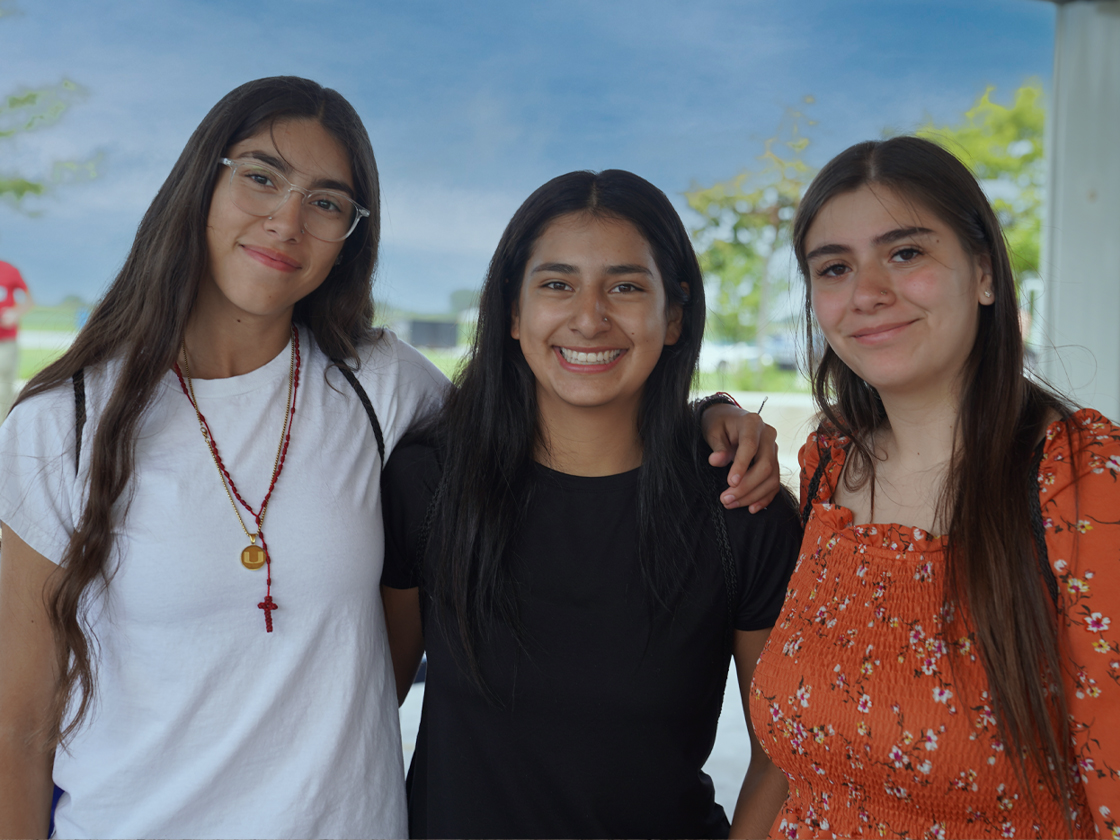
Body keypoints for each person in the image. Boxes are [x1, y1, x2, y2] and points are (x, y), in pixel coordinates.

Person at [0, 78, 780, 839]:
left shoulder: (379, 385)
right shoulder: (62, 422)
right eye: (261, 177)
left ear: (350, 236)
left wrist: (710, 418)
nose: (286, 221)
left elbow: (557, 404)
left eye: (327, 202)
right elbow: (18, 728)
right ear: (198, 185)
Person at [380, 169, 803, 839]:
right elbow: (368, 711)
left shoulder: (740, 511)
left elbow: (783, 757)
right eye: (556, 285)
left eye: (626, 287)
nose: (588, 316)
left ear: (674, 318)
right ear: (513, 314)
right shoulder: (428, 487)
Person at [748, 136, 1120, 838]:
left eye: (906, 253)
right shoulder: (831, 465)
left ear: (984, 273)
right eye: (834, 268)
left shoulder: (1081, 480)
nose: (867, 293)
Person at [0, 259, 33, 420]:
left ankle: (4, 424)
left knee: (4, 386)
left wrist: (15, 314)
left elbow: (29, 301)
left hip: (5, 341)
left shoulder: (9, 270)